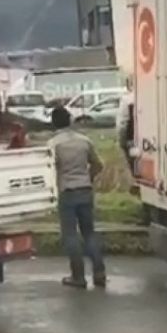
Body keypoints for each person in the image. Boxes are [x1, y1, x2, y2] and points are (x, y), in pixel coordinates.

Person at [50, 105, 106, 290]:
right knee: (89, 232)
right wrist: (87, 179)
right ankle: (99, 273)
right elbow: (98, 165)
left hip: (67, 191)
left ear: (53, 123)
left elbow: (49, 169)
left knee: (71, 235)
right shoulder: (84, 141)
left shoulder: (54, 144)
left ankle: (78, 276)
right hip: (85, 190)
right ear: (70, 121)